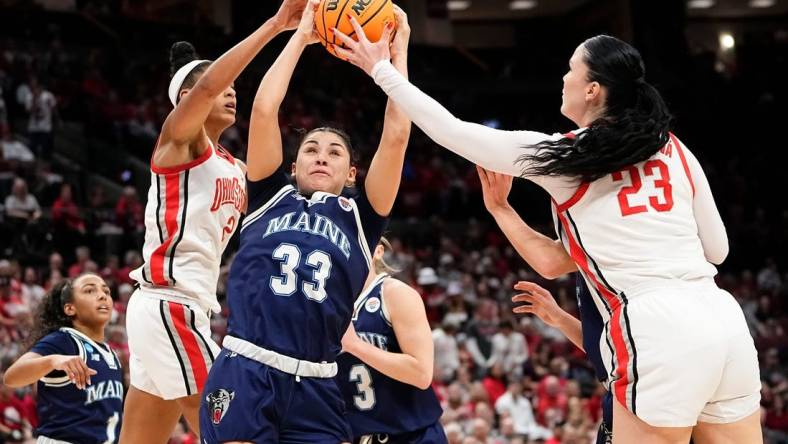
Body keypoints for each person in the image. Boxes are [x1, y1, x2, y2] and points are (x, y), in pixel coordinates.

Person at [335, 28, 761, 444]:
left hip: (656, 325)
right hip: (722, 319)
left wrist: (382, 70)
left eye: (571, 69)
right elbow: (717, 249)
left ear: (592, 89)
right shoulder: (673, 147)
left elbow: (452, 131)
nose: (563, 78)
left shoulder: (567, 156)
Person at [198, 1, 409, 442]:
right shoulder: (269, 197)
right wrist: (301, 36)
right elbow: (263, 110)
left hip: (317, 380)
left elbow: (397, 134)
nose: (321, 156)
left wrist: (398, 52)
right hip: (246, 366)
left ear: (352, 174)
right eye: (311, 149)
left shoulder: (362, 219)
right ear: (292, 166)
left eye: (335, 153)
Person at [119, 1, 307, 441]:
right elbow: (206, 89)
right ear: (186, 98)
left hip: (183, 310)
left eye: (233, 86)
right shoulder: (178, 143)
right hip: (171, 304)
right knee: (232, 429)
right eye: (222, 84)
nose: (230, 90)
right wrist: (277, 24)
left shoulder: (234, 167)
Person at [479, 167, 612, 443]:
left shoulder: (605, 237)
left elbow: (549, 262)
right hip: (630, 386)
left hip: (646, 389)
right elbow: (609, 347)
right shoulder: (590, 259)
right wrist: (560, 318)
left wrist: (500, 208)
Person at [337, 237, 446, 443]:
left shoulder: (396, 294)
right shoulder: (329, 303)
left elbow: (422, 374)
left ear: (378, 252)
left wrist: (356, 346)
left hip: (412, 436)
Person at [3, 273, 123, 444]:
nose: (102, 295)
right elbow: (12, 377)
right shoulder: (64, 340)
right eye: (89, 290)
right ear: (70, 308)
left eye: (107, 291)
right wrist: (53, 361)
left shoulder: (112, 354)